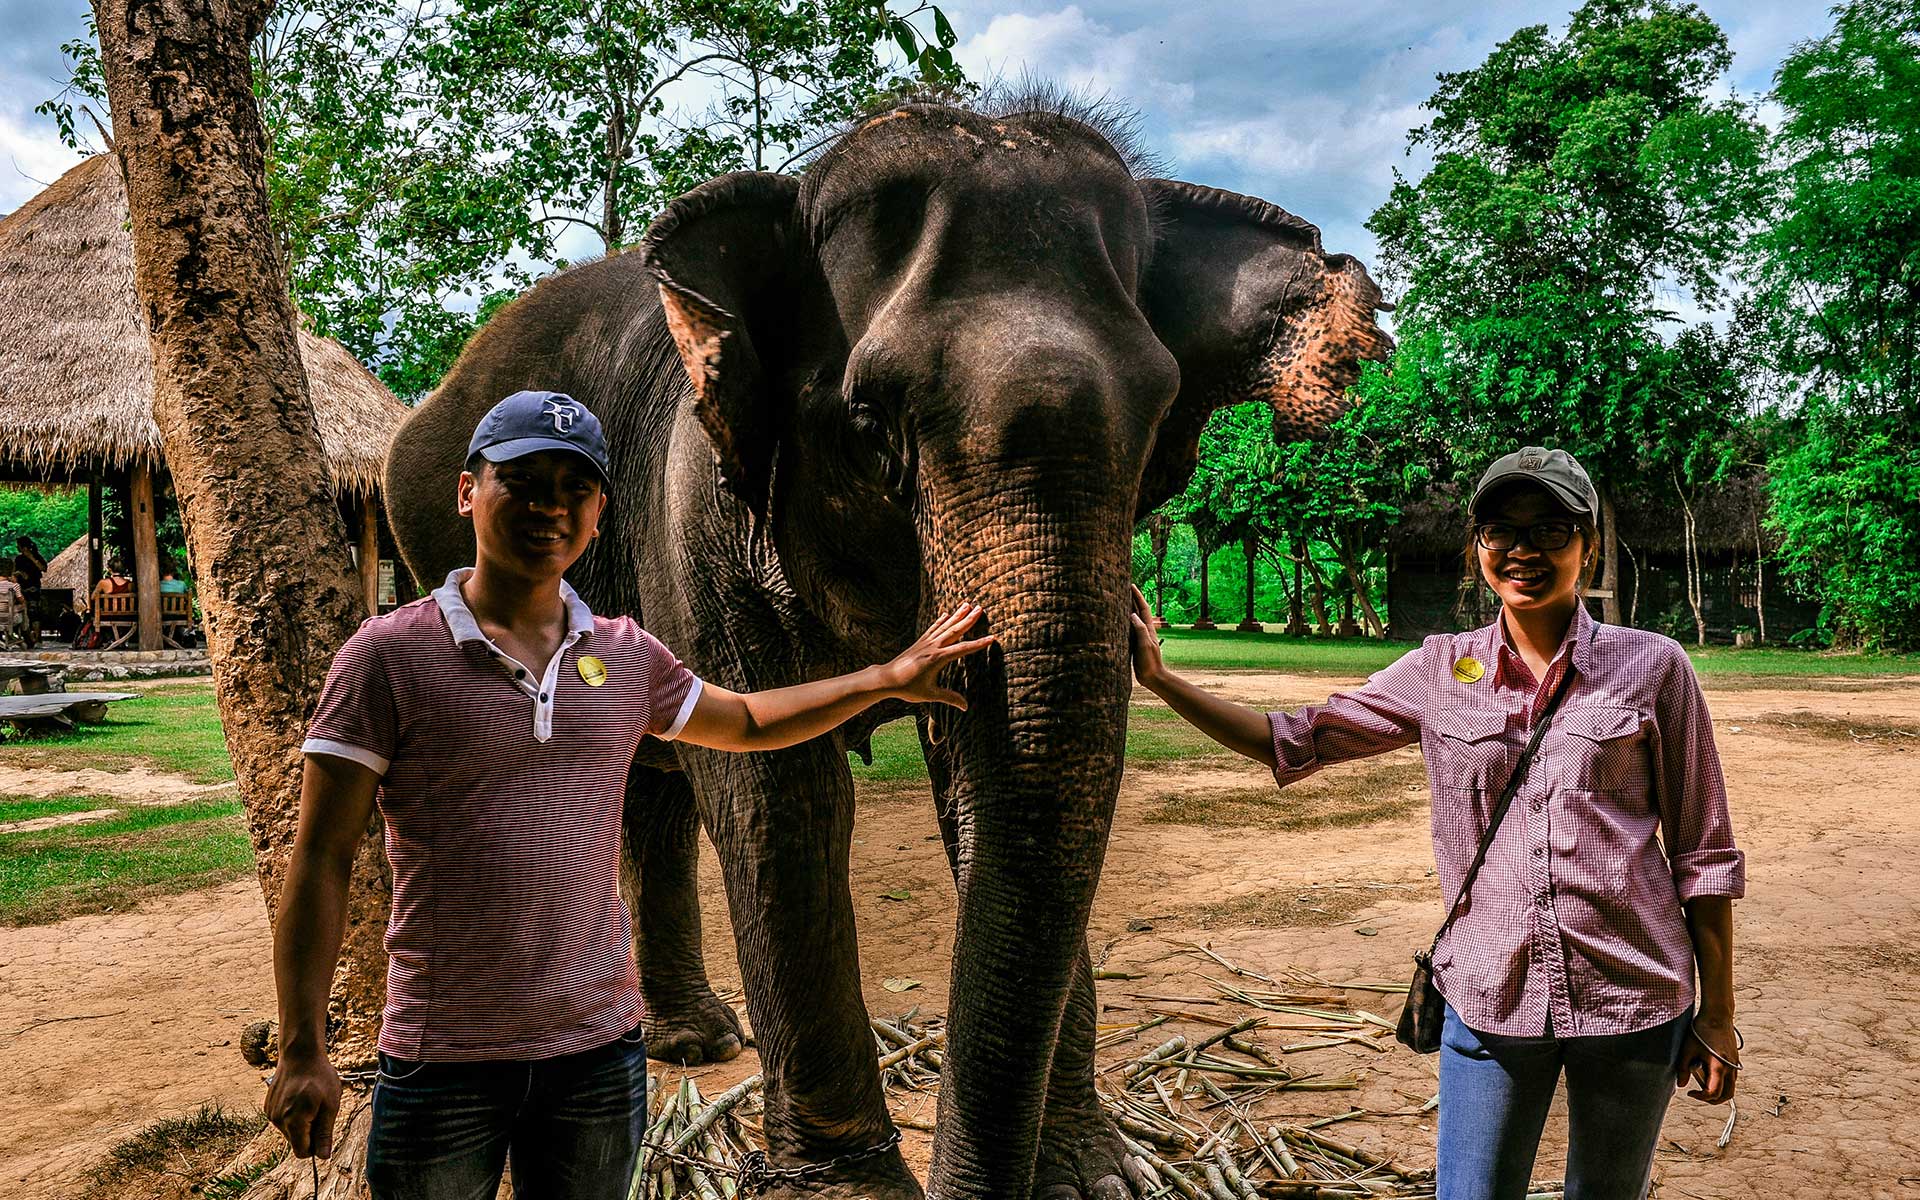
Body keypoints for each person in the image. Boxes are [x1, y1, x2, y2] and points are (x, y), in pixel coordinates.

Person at [265, 390, 996, 1200]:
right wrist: (301, 1048)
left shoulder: (625, 655)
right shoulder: (386, 657)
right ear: (468, 491)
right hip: (443, 1058)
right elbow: (322, 857)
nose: (549, 506)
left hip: (599, 1055)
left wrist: (887, 677)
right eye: (522, 481)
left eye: (574, 489)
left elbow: (746, 720)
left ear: (599, 516)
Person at [1127, 447, 1744, 1200]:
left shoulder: (1654, 667)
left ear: (1588, 544)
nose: (1523, 550)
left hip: (1632, 994)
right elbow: (1294, 738)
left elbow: (1703, 850)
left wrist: (1718, 1014)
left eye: (1550, 530)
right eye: (1500, 530)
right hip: (1489, 992)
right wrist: (1160, 679)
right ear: (1477, 546)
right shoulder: (1439, 670)